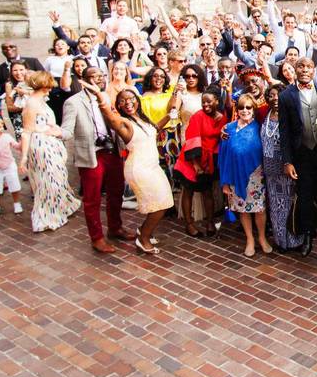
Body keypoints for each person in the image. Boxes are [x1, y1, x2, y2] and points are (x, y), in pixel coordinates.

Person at [83, 85, 174, 254]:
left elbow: (155, 130)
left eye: (131, 99)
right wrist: (100, 95)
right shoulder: (124, 122)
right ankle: (143, 239)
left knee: (164, 201)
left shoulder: (141, 119)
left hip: (152, 167)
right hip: (140, 169)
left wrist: (170, 114)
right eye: (123, 101)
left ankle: (145, 231)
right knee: (161, 205)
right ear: (118, 106)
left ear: (137, 101)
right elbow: (111, 118)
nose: (128, 103)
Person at [61, 67, 129, 252]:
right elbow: (67, 130)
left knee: (116, 191)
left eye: (102, 76)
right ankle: (96, 238)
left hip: (112, 151)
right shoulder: (73, 103)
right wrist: (54, 132)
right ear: (83, 80)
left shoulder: (106, 97)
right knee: (93, 198)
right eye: (94, 77)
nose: (100, 80)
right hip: (91, 154)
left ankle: (115, 227)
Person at [278, 57, 317, 257]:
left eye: (308, 67)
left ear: (314, 70)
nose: (304, 70)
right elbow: (284, 131)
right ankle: (306, 235)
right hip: (301, 153)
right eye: (301, 67)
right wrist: (287, 161)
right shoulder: (286, 95)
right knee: (304, 196)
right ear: (295, 70)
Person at [18, 71, 81, 233]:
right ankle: (47, 216)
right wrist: (23, 158)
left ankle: (60, 208)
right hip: (41, 145)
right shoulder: (32, 104)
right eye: (48, 86)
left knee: (57, 177)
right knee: (48, 180)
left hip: (51, 143)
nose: (50, 89)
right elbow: (27, 131)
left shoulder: (39, 100)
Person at [219, 93, 272, 257]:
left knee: (260, 209)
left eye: (248, 107)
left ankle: (262, 238)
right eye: (241, 107)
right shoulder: (228, 129)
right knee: (243, 210)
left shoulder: (260, 127)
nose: (244, 110)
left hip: (257, 175)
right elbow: (224, 156)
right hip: (235, 176)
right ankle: (250, 239)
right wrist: (225, 182)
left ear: (254, 109)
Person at [173, 92, 227, 237]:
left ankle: (210, 222)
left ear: (216, 101)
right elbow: (192, 138)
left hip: (208, 160)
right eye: (203, 102)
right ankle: (189, 224)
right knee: (188, 191)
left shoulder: (222, 118)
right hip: (192, 158)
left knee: (207, 191)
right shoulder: (198, 116)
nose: (205, 105)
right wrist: (196, 164)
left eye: (209, 101)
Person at [261, 83, 304, 252]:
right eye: (271, 95)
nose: (275, 99)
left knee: (290, 204)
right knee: (276, 206)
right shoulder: (264, 114)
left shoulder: (290, 115)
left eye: (278, 95)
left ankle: (295, 240)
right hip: (270, 170)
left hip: (287, 167)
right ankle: (281, 241)